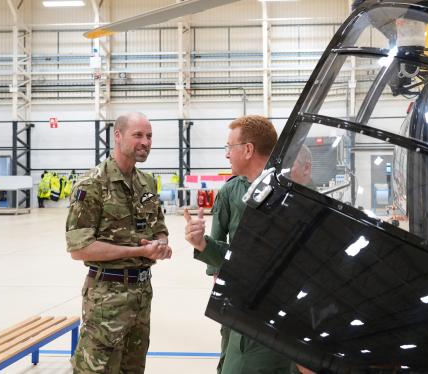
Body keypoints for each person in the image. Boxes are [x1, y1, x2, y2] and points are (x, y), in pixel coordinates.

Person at [184, 115, 293, 374]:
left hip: (263, 314)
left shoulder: (284, 196)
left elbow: (254, 261)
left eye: (229, 147)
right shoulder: (238, 191)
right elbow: (229, 245)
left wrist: (204, 246)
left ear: (248, 149)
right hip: (237, 298)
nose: (226, 155)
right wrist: (206, 250)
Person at [65, 112, 172, 374]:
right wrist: (140, 251)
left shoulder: (146, 182)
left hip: (141, 296)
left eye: (149, 136)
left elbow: (159, 228)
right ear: (118, 136)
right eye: (138, 135)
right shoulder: (92, 184)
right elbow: (79, 248)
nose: (145, 142)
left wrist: (161, 244)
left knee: (133, 368)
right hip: (106, 298)